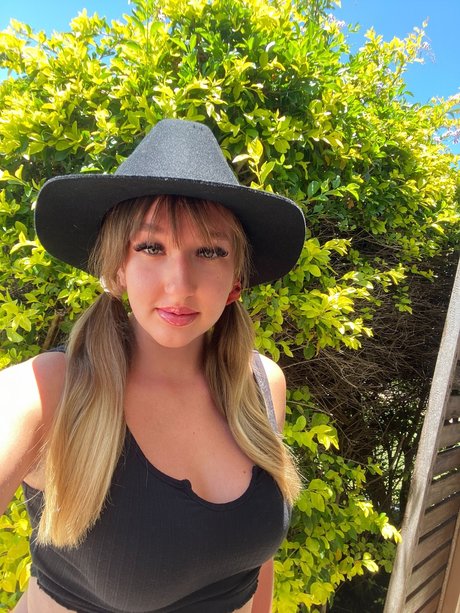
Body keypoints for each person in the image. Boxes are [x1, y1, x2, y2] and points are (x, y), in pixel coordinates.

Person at [0, 119, 306, 613]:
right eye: (150, 247)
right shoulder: (44, 392)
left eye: (210, 251)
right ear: (117, 267)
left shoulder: (261, 384)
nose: (179, 284)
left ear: (236, 279)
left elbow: (255, 567)